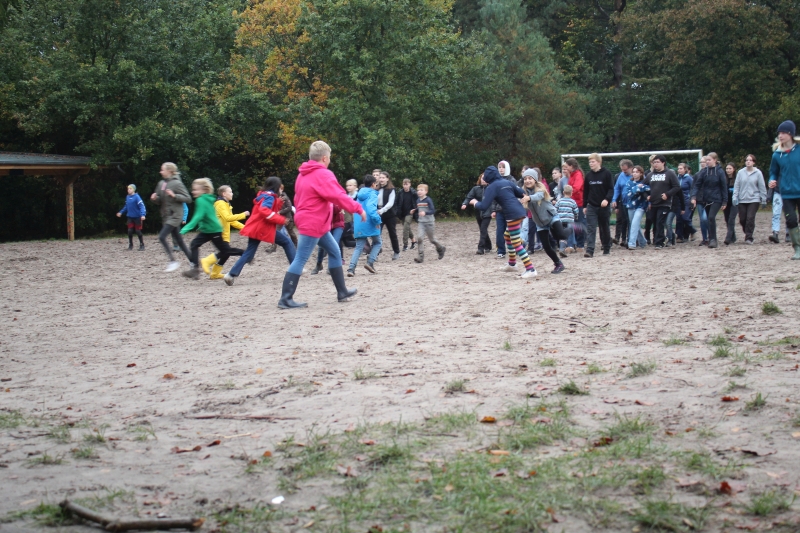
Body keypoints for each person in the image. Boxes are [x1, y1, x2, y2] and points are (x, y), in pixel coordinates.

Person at [278, 141, 366, 309]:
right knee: (300, 258)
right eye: (330, 158)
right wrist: (357, 208)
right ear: (325, 158)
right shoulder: (323, 174)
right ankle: (285, 298)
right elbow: (338, 196)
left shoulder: (303, 174)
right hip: (314, 221)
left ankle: (342, 292)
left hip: (312, 220)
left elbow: (299, 197)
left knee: (334, 252)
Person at [470, 166, 536, 278]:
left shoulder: (492, 187)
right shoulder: (507, 182)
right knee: (507, 236)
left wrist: (474, 202)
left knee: (516, 243)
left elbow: (484, 206)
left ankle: (530, 269)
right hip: (519, 211)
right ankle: (512, 264)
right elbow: (520, 192)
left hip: (512, 215)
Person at [179, 178, 244, 280]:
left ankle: (244, 253)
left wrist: (184, 230)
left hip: (214, 230)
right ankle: (195, 269)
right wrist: (201, 225)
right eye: (193, 189)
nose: (193, 192)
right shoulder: (207, 200)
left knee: (225, 251)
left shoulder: (201, 200)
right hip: (207, 230)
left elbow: (198, 216)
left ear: (204, 190)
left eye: (195, 189)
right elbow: (205, 215)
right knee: (195, 244)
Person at [200, 185, 249, 279]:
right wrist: (243, 214)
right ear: (224, 194)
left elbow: (232, 221)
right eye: (230, 192)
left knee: (226, 253)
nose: (232, 193)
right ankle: (207, 261)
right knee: (226, 252)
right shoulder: (220, 204)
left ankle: (215, 273)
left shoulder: (226, 204)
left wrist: (246, 228)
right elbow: (228, 218)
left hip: (224, 233)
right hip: (219, 232)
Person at [151, 162, 193, 272]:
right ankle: (193, 261)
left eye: (162, 170)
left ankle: (173, 261)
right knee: (179, 240)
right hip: (166, 216)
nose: (160, 172)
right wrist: (155, 198)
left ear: (169, 171)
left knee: (161, 237)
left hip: (175, 215)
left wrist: (175, 196)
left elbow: (188, 198)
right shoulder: (161, 183)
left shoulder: (177, 183)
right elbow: (160, 201)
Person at [768, 120, 800, 259]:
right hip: (786, 193)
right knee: (791, 220)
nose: (780, 135)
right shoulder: (777, 155)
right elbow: (773, 172)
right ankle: (797, 249)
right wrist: (771, 180)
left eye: (783, 133)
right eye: (779, 133)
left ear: (790, 134)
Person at [527, 181, 566, 274]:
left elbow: (538, 196)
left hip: (551, 216)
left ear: (535, 180)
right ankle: (558, 264)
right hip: (540, 223)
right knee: (546, 246)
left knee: (561, 235)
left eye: (530, 178)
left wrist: (528, 198)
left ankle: (573, 227)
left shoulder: (540, 189)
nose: (527, 180)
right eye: (525, 179)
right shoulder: (524, 192)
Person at [348, 175, 383, 275]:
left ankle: (351, 269)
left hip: (359, 222)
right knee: (378, 242)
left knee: (359, 247)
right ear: (373, 184)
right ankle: (370, 262)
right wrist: (377, 221)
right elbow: (371, 210)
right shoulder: (373, 194)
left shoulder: (359, 194)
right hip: (370, 223)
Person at [691, 152, 728, 248]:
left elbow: (724, 187)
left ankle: (713, 239)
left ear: (715, 160)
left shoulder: (720, 172)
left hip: (717, 199)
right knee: (708, 219)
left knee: (711, 217)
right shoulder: (704, 172)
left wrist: (725, 201)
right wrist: (693, 196)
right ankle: (710, 237)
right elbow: (697, 185)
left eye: (709, 160)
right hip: (706, 199)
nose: (707, 162)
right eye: (706, 160)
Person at [644, 155, 681, 249]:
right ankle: (664, 238)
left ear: (663, 163)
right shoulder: (650, 175)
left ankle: (659, 242)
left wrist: (667, 194)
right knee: (654, 220)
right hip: (653, 203)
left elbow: (677, 187)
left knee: (660, 221)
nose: (655, 164)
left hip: (665, 203)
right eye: (654, 162)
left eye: (657, 162)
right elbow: (642, 187)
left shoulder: (670, 174)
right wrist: (646, 196)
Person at [583, 153, 614, 257]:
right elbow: (586, 191)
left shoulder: (607, 173)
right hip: (592, 205)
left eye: (593, 162)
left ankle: (606, 247)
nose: (591, 164)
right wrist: (584, 205)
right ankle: (590, 250)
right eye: (589, 162)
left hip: (603, 206)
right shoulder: (588, 175)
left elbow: (611, 189)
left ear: (599, 162)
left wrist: (607, 199)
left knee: (604, 227)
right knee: (591, 228)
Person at [732, 154, 767, 244]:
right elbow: (737, 186)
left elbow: (762, 186)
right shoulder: (740, 172)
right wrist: (735, 197)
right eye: (747, 160)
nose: (748, 162)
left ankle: (749, 237)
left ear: (753, 162)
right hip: (742, 199)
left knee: (750, 218)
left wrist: (763, 199)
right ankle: (747, 231)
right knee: (742, 219)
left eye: (750, 160)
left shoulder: (758, 173)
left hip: (754, 199)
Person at [412, 184, 446, 263]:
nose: (419, 192)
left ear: (426, 191)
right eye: (418, 190)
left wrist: (425, 213)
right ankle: (420, 257)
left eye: (421, 190)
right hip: (421, 222)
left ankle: (441, 248)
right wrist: (415, 210)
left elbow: (433, 210)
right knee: (419, 238)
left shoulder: (428, 200)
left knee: (432, 240)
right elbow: (419, 208)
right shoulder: (418, 200)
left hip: (429, 222)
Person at [462, 174, 492, 254]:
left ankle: (480, 248)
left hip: (487, 212)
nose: (483, 180)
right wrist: (465, 204)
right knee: (483, 230)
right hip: (478, 212)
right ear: (480, 179)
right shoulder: (475, 189)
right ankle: (488, 245)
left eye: (485, 178)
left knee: (483, 229)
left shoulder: (491, 189)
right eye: (482, 178)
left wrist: (494, 210)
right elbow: (469, 197)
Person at [623, 166, 650, 250]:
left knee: (634, 223)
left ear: (641, 173)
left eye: (637, 172)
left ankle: (631, 243)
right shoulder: (629, 182)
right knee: (634, 224)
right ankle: (643, 241)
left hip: (641, 206)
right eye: (633, 172)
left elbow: (648, 189)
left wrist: (637, 189)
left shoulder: (645, 182)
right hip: (631, 206)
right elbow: (628, 194)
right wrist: (638, 188)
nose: (634, 174)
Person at [493, 160, 515, 258]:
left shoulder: (512, 180)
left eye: (503, 167)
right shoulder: (496, 181)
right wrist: (493, 210)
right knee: (500, 231)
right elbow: (493, 196)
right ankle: (501, 251)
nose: (501, 169)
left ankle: (514, 249)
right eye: (500, 167)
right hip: (499, 210)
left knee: (511, 231)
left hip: (510, 210)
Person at [377, 171, 400, 260]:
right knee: (377, 233)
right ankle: (376, 253)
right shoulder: (376, 189)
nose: (381, 179)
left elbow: (390, 203)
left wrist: (382, 210)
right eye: (380, 177)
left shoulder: (391, 189)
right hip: (378, 213)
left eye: (383, 178)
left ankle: (396, 251)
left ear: (387, 179)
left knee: (392, 233)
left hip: (389, 214)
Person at [565, 158, 586, 252]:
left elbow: (576, 188)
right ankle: (572, 244)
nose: (566, 168)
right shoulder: (572, 175)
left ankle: (580, 244)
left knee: (579, 223)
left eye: (567, 166)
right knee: (571, 224)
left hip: (578, 203)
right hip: (571, 202)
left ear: (571, 166)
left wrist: (568, 193)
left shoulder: (578, 175)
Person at [117, 184, 146, 251]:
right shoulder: (127, 197)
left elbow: (142, 206)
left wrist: (143, 215)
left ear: (133, 190)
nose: (128, 190)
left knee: (138, 231)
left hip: (137, 217)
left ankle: (142, 245)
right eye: (128, 189)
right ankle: (130, 245)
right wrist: (121, 212)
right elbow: (126, 206)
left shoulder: (137, 197)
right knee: (129, 231)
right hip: (130, 217)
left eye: (130, 189)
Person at [612, 160, 633, 247]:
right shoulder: (621, 176)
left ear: (631, 168)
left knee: (631, 221)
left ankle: (631, 239)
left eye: (625, 170)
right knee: (623, 220)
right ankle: (623, 239)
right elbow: (617, 188)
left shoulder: (636, 175)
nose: (624, 172)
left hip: (634, 203)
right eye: (622, 170)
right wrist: (614, 200)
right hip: (623, 202)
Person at [556, 185, 579, 254]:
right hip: (570, 220)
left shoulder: (559, 201)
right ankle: (570, 246)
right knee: (570, 233)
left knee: (562, 233)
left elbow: (555, 209)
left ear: (563, 192)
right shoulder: (572, 202)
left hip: (561, 220)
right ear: (571, 193)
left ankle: (562, 246)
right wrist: (576, 217)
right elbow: (576, 211)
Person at [676, 163, 695, 242]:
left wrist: (692, 199)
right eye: (678, 169)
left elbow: (693, 189)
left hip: (687, 200)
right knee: (679, 219)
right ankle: (680, 236)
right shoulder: (677, 178)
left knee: (685, 217)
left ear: (685, 169)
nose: (679, 170)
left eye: (681, 169)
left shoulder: (689, 178)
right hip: (678, 201)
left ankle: (692, 230)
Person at [396, 178, 417, 250]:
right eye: (404, 184)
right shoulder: (400, 193)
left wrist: (415, 209)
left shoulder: (413, 193)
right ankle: (414, 241)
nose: (405, 186)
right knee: (407, 228)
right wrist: (397, 211)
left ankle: (405, 245)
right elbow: (397, 202)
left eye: (406, 184)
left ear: (410, 184)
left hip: (410, 213)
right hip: (402, 213)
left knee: (405, 228)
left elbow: (417, 202)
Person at [723, 162, 739, 245]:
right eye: (727, 168)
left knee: (731, 219)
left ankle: (728, 237)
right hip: (726, 202)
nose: (728, 170)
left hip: (735, 202)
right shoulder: (723, 179)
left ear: (734, 169)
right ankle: (733, 237)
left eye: (730, 168)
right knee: (727, 219)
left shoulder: (737, 179)